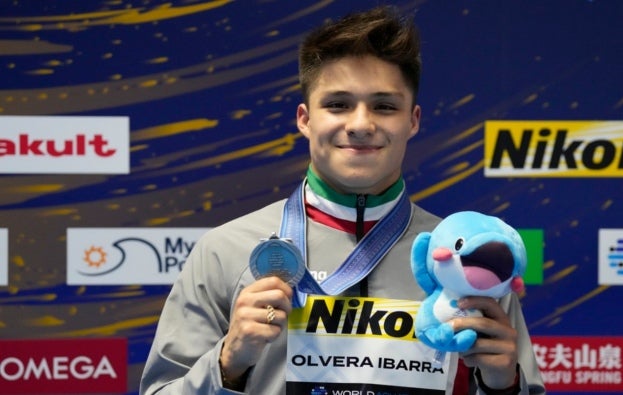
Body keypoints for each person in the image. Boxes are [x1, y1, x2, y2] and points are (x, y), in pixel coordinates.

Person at [140, 5, 545, 395]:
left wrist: (503, 386)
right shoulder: (226, 251)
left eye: (384, 106)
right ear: (305, 119)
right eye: (338, 104)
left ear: (413, 121)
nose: (360, 124)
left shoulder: (468, 263)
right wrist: (227, 364)